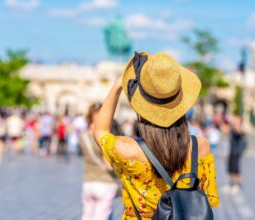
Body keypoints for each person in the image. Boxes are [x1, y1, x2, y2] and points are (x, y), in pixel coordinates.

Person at [94, 52, 219, 219]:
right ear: (181, 105)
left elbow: (100, 130)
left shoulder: (127, 149)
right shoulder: (200, 146)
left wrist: (118, 86)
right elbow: (205, 200)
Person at [80, 103, 117, 220]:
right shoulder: (104, 137)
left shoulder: (83, 135)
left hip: (88, 182)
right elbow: (109, 165)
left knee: (87, 215)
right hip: (105, 183)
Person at [222, 116, 246, 194]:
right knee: (230, 167)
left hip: (237, 151)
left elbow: (240, 132)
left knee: (236, 168)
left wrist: (235, 123)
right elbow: (225, 130)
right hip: (231, 150)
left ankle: (237, 184)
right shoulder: (231, 128)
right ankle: (230, 184)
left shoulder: (239, 128)